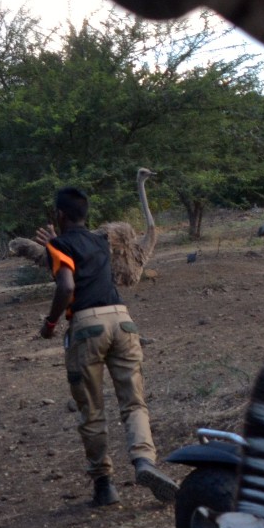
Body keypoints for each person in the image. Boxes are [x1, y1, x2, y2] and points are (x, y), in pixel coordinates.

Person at [36, 185, 177, 508]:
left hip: (87, 326)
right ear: (86, 215)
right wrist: (53, 249)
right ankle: (144, 461)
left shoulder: (59, 245)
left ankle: (104, 485)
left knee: (92, 409)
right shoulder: (101, 241)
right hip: (123, 321)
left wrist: (50, 323)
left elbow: (68, 284)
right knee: (134, 402)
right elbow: (85, 267)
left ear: (59, 215)